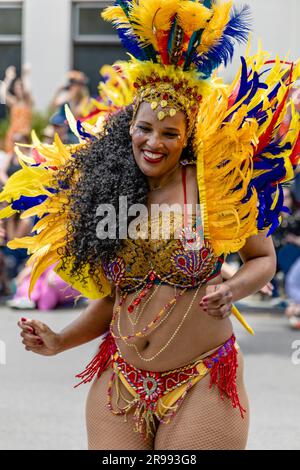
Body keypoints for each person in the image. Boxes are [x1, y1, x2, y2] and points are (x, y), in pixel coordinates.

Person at [0, 0, 299, 451]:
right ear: (129, 127)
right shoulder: (106, 194)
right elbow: (110, 301)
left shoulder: (214, 186)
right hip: (121, 379)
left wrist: (233, 289)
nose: (154, 142)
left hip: (202, 378)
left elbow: (263, 258)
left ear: (189, 137)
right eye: (145, 128)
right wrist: (60, 340)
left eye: (170, 133)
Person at [0, 65, 33, 157]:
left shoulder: (28, 102)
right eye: (16, 88)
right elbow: (3, 92)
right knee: (10, 156)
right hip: (12, 135)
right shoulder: (14, 102)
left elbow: (28, 90)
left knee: (23, 156)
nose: (18, 90)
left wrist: (25, 74)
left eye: (20, 87)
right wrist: (8, 77)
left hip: (23, 135)